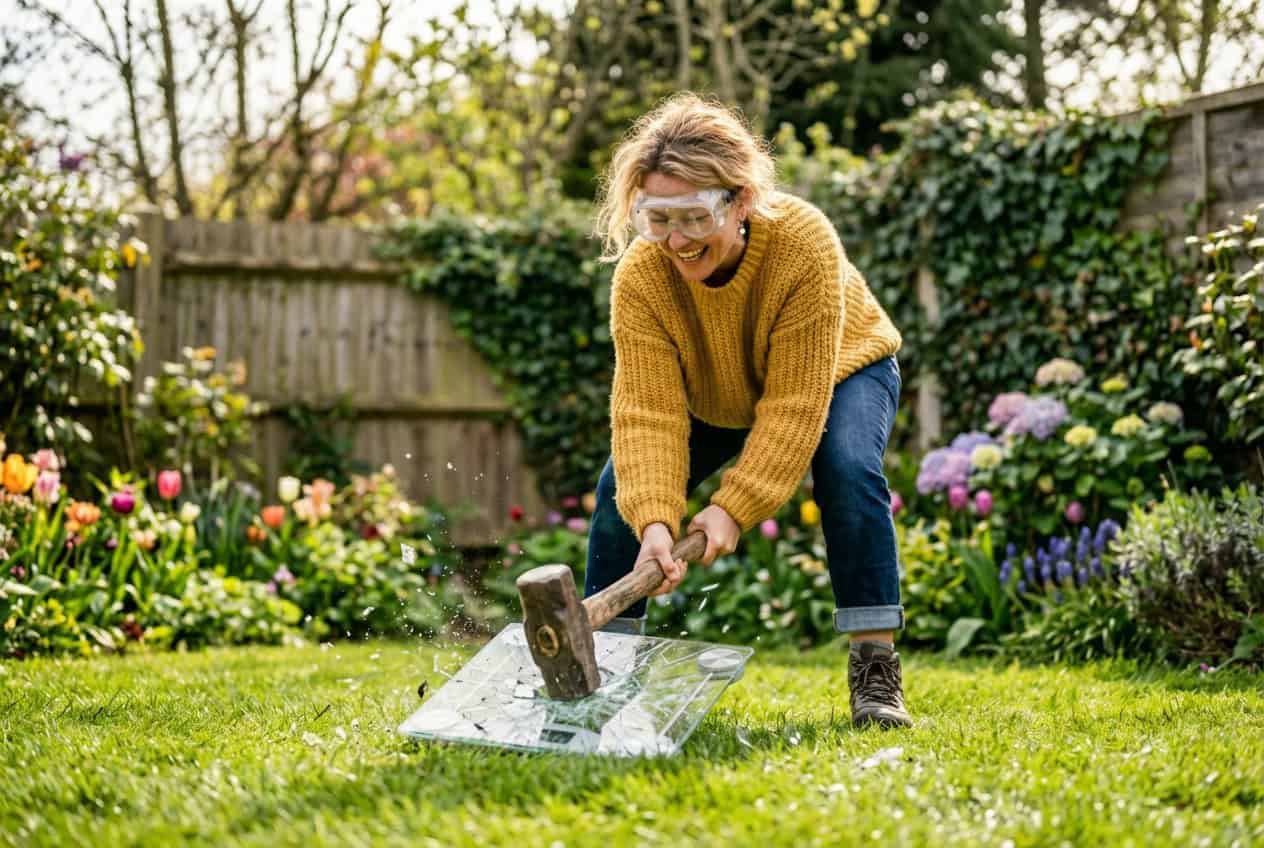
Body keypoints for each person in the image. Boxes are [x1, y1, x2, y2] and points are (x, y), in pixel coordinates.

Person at [585, 92, 911, 729]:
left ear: (740, 201)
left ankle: (875, 669)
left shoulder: (802, 245)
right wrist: (655, 522)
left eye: (693, 216)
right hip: (716, 389)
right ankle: (605, 664)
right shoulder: (641, 276)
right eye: (657, 218)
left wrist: (732, 508)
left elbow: (792, 405)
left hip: (842, 366)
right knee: (619, 490)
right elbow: (647, 413)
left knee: (846, 468)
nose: (675, 240)